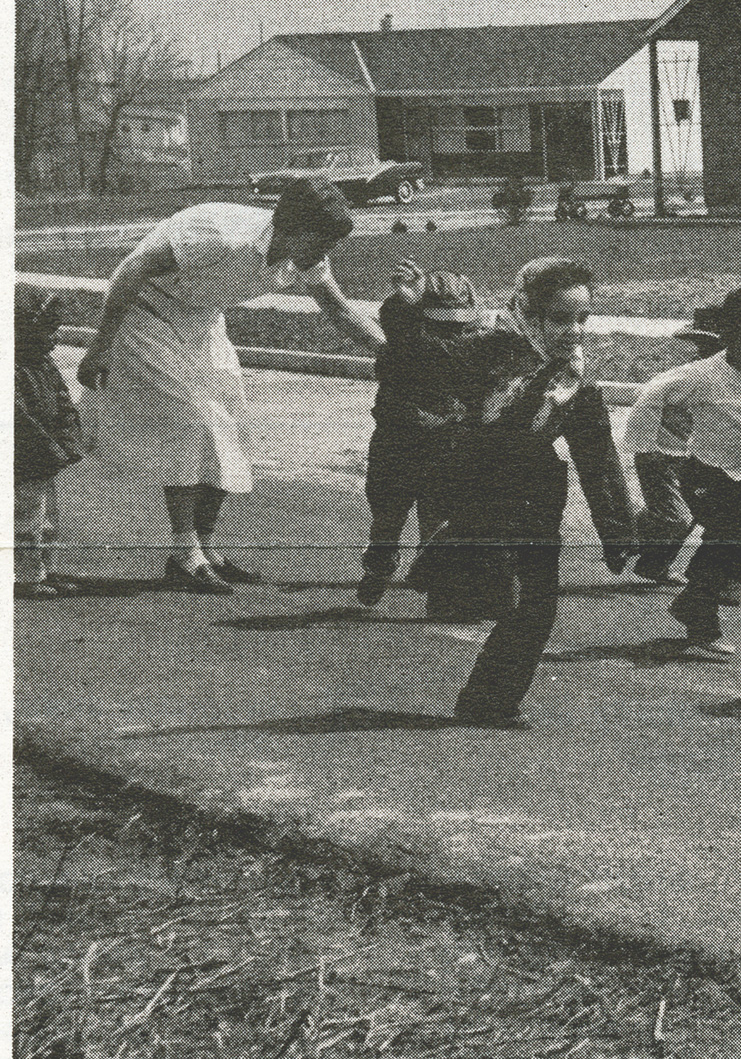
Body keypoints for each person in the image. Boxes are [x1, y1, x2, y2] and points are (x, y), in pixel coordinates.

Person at [76, 178, 384, 593]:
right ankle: (186, 555)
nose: (324, 252)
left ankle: (205, 548)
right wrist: (101, 344)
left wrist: (393, 351)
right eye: (319, 240)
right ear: (289, 227)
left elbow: (339, 310)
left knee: (230, 425)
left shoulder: (306, 257)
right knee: (197, 423)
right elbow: (131, 270)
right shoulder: (222, 235)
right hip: (143, 313)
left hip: (202, 321)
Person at [406, 257, 637, 729]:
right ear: (527, 313)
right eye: (560, 320)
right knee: (493, 590)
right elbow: (420, 366)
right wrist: (406, 310)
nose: (572, 331)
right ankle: (448, 567)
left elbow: (597, 454)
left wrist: (617, 532)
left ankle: (489, 701)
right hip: (477, 485)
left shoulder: (572, 379)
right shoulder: (488, 351)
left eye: (581, 319)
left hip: (534, 493)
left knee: (537, 608)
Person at [624, 284, 741, 660]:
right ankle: (701, 608)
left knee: (733, 545)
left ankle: (700, 597)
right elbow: (654, 394)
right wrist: (651, 443)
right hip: (705, 472)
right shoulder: (701, 375)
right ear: (729, 339)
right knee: (731, 541)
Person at [356, 261, 481, 608]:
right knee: (389, 518)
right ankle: (381, 566)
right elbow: (395, 326)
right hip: (398, 445)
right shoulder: (404, 348)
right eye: (440, 326)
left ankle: (440, 589)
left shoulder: (467, 351)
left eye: (458, 327)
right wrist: (404, 300)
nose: (450, 334)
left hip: (440, 446)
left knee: (433, 519)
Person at [624, 304, 725, 586]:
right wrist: (643, 442)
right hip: (660, 454)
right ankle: (628, 524)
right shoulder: (691, 374)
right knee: (678, 518)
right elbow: (647, 396)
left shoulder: (726, 377)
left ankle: (654, 564)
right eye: (705, 344)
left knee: (694, 509)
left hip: (687, 453)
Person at [15, 287, 85, 599]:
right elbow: (19, 418)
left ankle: (44, 568)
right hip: (26, 459)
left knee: (47, 520)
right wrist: (50, 448)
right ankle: (26, 576)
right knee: (25, 520)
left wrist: (68, 439)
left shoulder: (44, 364)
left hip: (47, 459)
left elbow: (64, 401)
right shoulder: (13, 369)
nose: (54, 339)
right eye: (49, 330)